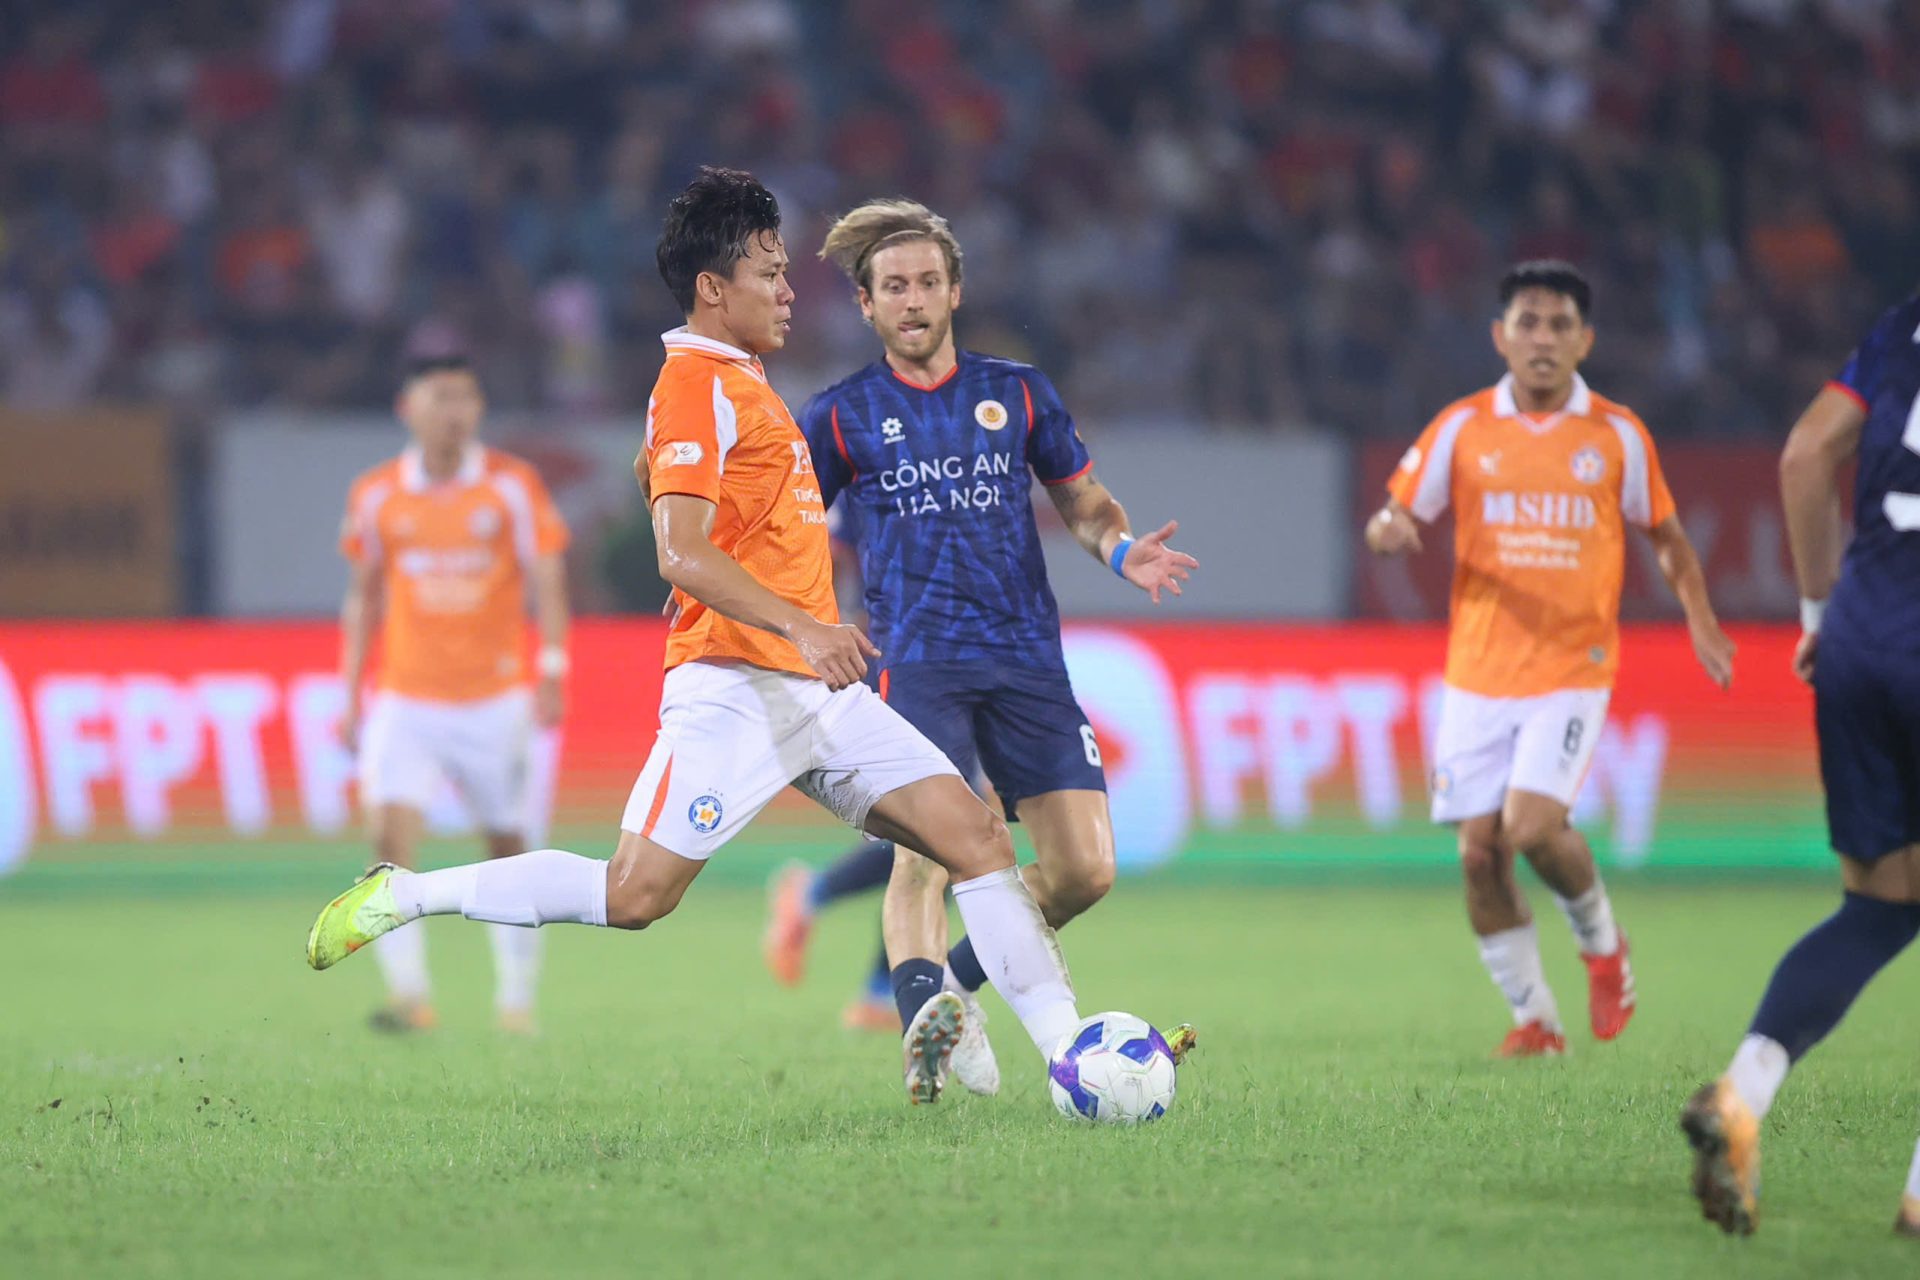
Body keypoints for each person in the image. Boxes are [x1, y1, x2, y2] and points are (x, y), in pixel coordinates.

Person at [307, 167, 1085, 1106]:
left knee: (977, 837)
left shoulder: (740, 382)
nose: (789, 290)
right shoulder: (693, 383)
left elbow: (692, 495)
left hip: (814, 689)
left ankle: (1069, 1057)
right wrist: (807, 624)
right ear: (715, 289)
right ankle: (404, 894)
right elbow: (679, 552)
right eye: (771, 272)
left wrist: (801, 626)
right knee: (634, 896)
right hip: (735, 688)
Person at [782, 197, 1199, 1095]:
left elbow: (1084, 502)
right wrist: (807, 622)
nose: (914, 300)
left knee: (1084, 870)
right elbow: (787, 531)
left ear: (956, 292)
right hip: (916, 664)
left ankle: (955, 988)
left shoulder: (1018, 393)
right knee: (924, 856)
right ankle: (918, 1018)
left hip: (1026, 662)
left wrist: (1121, 549)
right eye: (895, 286)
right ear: (867, 305)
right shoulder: (841, 416)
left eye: (928, 282)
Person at [1364, 259, 1734, 1058]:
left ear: (1584, 341)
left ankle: (1603, 944)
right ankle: (1537, 1021)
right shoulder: (1463, 427)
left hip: (1573, 664)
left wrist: (1701, 620)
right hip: (1478, 671)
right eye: (1528, 323)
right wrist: (1389, 532)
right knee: (1478, 854)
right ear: (1500, 337)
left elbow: (1668, 539)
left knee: (1530, 828)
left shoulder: (1617, 435)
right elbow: (1390, 518)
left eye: (1560, 325)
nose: (1543, 339)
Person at [1681, 291, 1920, 1238]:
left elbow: (1805, 453)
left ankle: (1743, 1092)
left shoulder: (1905, 323)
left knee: (1881, 906)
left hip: (1862, 640)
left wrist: (1820, 613)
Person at [337, 354, 570, 1034]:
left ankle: (516, 1000)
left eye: (466, 396)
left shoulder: (511, 486)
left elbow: (548, 577)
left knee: (508, 848)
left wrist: (553, 667)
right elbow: (364, 597)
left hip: (494, 699)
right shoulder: (377, 494)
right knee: (387, 839)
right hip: (406, 698)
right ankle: (411, 996)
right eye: (440, 396)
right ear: (407, 408)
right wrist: (350, 694)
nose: (455, 410)